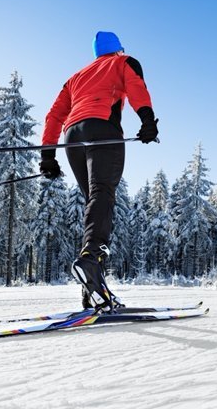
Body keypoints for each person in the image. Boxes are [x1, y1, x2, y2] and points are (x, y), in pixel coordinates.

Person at [40, 31, 159, 311]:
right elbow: (136, 88)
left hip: (73, 137)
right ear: (118, 49)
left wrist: (48, 156)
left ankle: (93, 291)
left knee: (95, 204)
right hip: (103, 130)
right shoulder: (123, 62)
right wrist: (147, 121)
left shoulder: (76, 77)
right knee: (102, 196)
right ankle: (92, 260)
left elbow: (54, 115)